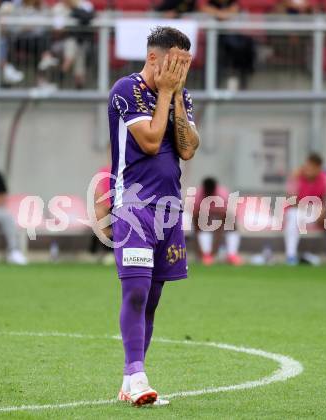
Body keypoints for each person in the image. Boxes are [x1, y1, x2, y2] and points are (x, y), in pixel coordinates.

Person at [108, 27, 199, 406]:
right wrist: (165, 93)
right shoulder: (126, 90)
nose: (180, 71)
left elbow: (189, 147)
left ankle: (131, 380)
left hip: (169, 210)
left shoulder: (180, 95)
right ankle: (136, 374)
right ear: (153, 59)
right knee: (136, 291)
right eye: (175, 63)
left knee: (153, 296)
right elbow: (148, 141)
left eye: (184, 65)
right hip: (133, 207)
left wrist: (174, 94)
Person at [284, 153, 326, 265]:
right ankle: (291, 256)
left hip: (319, 210)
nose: (308, 170)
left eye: (311, 168)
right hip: (301, 210)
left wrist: (323, 211)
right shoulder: (297, 177)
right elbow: (291, 200)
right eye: (307, 166)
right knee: (292, 215)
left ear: (318, 168)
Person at [199, 0, 256, 90]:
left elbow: (226, 15)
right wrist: (223, 14)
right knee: (214, 54)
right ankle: (210, 87)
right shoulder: (210, 4)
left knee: (245, 45)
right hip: (214, 42)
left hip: (234, 39)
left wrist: (216, 13)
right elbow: (221, 15)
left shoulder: (236, 4)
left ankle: (240, 76)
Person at [193, 177, 243, 266]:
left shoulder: (222, 195)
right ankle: (206, 255)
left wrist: (216, 245)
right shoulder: (197, 196)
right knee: (203, 226)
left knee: (232, 225)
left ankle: (232, 254)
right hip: (205, 217)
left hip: (222, 216)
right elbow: (195, 219)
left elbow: (226, 217)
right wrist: (198, 244)